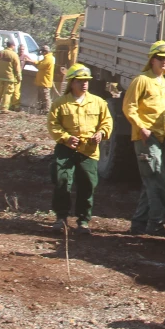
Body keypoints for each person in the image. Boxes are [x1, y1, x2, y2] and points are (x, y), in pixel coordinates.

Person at [47, 63, 112, 234]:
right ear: (71, 82)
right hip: (66, 149)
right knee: (62, 181)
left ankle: (83, 220)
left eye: (86, 81)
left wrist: (101, 133)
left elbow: (107, 122)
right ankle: (61, 217)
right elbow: (53, 125)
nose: (84, 84)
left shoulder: (98, 102)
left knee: (88, 184)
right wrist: (66, 138)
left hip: (88, 151)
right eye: (80, 81)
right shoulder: (60, 103)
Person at [123, 41, 165, 236]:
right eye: (161, 59)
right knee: (156, 180)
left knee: (151, 182)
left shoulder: (164, 81)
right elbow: (129, 106)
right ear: (152, 60)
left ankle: (139, 223)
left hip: (161, 136)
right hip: (146, 137)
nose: (164, 63)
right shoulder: (142, 80)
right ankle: (156, 223)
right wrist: (141, 127)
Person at [0, 39, 21, 112]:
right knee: (7, 93)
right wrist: (19, 77)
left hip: (0, 76)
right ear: (12, 46)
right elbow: (17, 67)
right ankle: (4, 108)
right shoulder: (14, 55)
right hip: (9, 77)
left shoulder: (0, 53)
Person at [33, 45, 55, 114]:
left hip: (45, 81)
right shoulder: (46, 58)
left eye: (42, 51)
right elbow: (39, 63)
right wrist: (33, 61)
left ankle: (47, 110)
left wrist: (34, 63)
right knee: (41, 97)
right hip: (42, 81)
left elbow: (40, 66)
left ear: (45, 51)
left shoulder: (49, 58)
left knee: (45, 97)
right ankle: (42, 109)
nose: (41, 53)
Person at [11, 44, 30, 111]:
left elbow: (32, 62)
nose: (21, 51)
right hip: (11, 75)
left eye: (22, 49)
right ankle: (11, 105)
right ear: (18, 50)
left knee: (16, 91)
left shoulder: (25, 57)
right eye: (20, 49)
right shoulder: (15, 55)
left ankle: (16, 106)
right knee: (10, 91)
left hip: (18, 76)